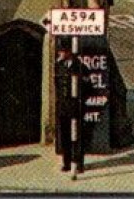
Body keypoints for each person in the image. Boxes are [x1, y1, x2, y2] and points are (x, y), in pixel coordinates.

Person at [55, 45, 92, 175]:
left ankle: (79, 163)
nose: (61, 53)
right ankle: (67, 162)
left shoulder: (81, 66)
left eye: (63, 51)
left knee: (78, 135)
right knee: (64, 135)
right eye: (60, 51)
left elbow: (89, 86)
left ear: (70, 52)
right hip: (63, 106)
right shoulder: (59, 65)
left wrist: (81, 99)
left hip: (76, 105)